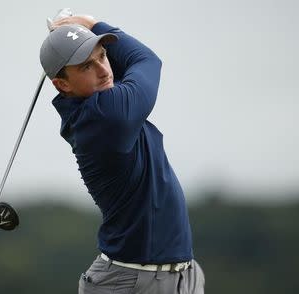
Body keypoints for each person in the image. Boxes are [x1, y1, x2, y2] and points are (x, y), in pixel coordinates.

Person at [39, 14, 205, 294]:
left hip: (180, 276)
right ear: (62, 84)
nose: (104, 70)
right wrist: (93, 24)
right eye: (87, 66)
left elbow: (115, 70)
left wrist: (89, 39)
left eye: (103, 56)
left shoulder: (95, 104)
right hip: (129, 283)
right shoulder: (107, 115)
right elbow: (147, 61)